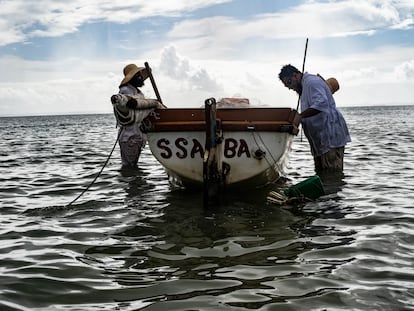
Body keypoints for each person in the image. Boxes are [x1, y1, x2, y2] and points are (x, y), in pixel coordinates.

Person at [279, 64, 351, 173]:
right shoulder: (304, 88)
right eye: (287, 86)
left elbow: (322, 104)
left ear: (295, 76)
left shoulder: (312, 82)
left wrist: (300, 116)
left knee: (332, 175)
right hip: (320, 144)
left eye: (289, 82)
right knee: (321, 175)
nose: (290, 87)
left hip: (330, 139)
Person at [111, 63, 161, 169]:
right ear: (132, 78)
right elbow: (129, 102)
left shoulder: (137, 91)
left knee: (132, 166)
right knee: (129, 167)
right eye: (137, 75)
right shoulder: (126, 90)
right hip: (129, 137)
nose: (140, 77)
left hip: (136, 136)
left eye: (140, 75)